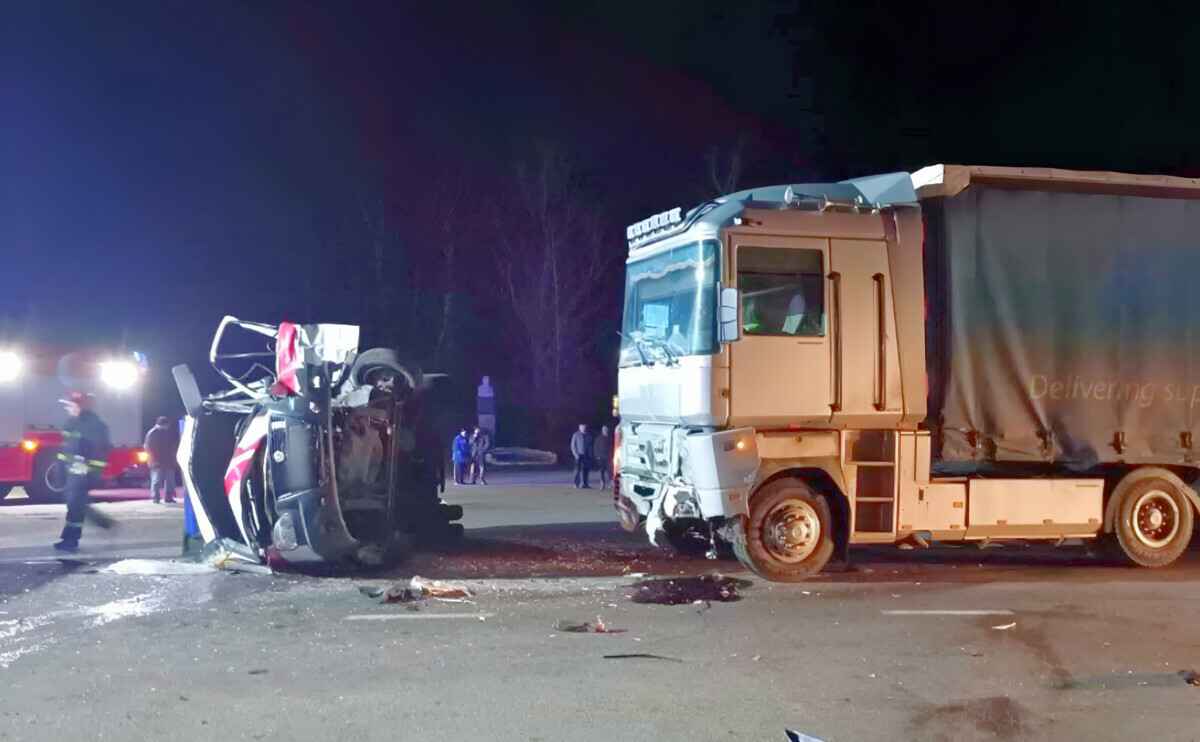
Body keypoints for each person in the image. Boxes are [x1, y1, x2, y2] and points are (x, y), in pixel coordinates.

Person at [54, 391, 115, 552]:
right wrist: (60, 467)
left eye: (71, 405)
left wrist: (91, 471)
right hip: (71, 471)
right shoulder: (72, 423)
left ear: (80, 406)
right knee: (74, 504)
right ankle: (71, 536)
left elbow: (100, 452)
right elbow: (66, 448)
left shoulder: (95, 426)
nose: (68, 408)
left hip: (82, 473)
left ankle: (71, 540)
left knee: (75, 505)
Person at [143, 416, 179, 504]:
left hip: (167, 461)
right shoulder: (153, 433)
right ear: (163, 424)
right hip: (157, 461)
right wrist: (153, 460)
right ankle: (156, 497)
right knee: (157, 480)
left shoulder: (165, 432)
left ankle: (168, 497)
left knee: (169, 480)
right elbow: (148, 447)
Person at [570, 423, 592, 489]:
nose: (583, 428)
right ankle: (576, 484)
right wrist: (576, 454)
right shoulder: (576, 435)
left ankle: (585, 484)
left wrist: (590, 455)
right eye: (582, 427)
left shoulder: (588, 435)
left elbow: (590, 446)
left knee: (586, 470)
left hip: (586, 456)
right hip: (578, 455)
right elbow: (573, 446)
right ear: (579, 428)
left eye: (584, 427)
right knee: (577, 470)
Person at [593, 425, 612, 489]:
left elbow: (612, 447)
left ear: (607, 430)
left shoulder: (610, 438)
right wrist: (597, 456)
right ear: (602, 430)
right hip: (601, 458)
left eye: (606, 429)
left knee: (609, 471)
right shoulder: (598, 438)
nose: (605, 431)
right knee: (602, 471)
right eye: (604, 429)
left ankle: (611, 483)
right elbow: (595, 447)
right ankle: (602, 483)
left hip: (609, 457)